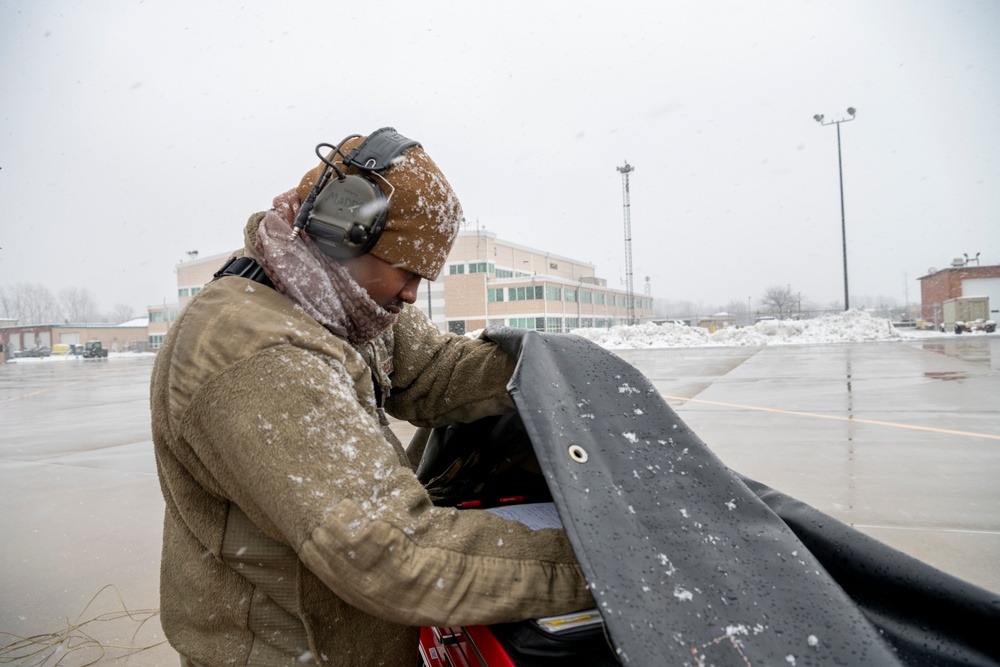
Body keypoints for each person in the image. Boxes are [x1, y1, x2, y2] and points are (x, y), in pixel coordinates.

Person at [150, 128, 593, 667]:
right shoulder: (256, 355)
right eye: (408, 272)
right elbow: (393, 553)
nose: (410, 294)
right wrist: (602, 561)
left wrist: (555, 369)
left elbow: (433, 371)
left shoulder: (342, 302)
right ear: (346, 232)